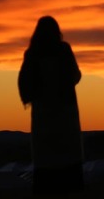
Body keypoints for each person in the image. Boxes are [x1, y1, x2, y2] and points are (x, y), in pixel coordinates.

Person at [17, 16, 84, 195]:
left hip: (43, 114)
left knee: (46, 158)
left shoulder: (32, 54)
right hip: (64, 112)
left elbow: (24, 82)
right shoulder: (63, 50)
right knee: (68, 156)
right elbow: (75, 75)